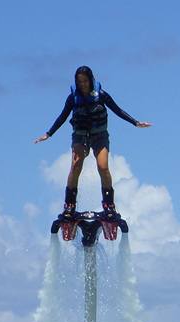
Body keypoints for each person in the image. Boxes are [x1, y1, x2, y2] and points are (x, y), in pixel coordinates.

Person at [34, 66, 151, 234]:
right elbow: (62, 117)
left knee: (103, 167)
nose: (82, 84)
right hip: (80, 136)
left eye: (85, 81)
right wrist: (48, 134)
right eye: (79, 81)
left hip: (99, 136)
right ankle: (69, 204)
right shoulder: (73, 98)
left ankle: (109, 204)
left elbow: (118, 110)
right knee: (76, 165)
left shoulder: (101, 95)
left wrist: (135, 122)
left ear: (91, 79)